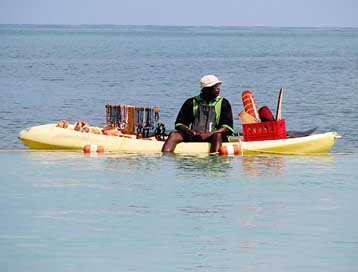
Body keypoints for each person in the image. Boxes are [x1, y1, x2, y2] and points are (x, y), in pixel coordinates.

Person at [162, 75, 234, 154]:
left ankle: (214, 161)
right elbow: (179, 123)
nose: (218, 89)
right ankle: (166, 157)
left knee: (218, 135)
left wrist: (208, 134)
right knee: (173, 135)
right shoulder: (191, 102)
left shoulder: (223, 103)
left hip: (213, 136)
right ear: (206, 89)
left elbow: (228, 127)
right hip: (194, 135)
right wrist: (189, 131)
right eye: (215, 86)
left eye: (218, 86)